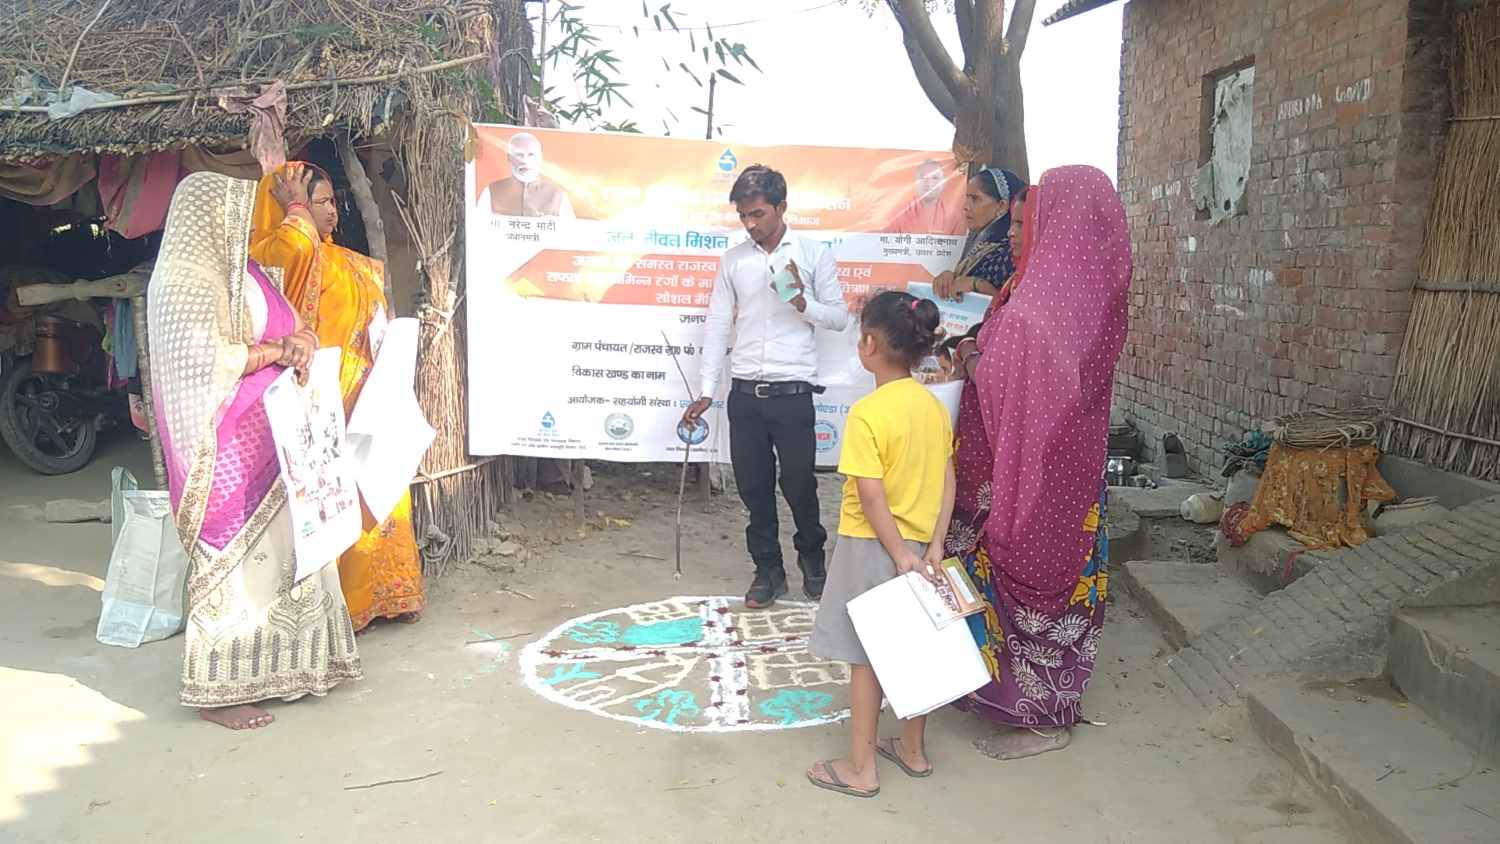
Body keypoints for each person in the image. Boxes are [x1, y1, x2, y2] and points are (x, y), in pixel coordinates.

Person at [146, 171, 362, 730]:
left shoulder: (245, 272)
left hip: (280, 436)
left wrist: (302, 342)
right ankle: (218, 691)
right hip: (226, 449)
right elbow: (204, 361)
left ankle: (296, 666)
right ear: (203, 218)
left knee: (290, 553)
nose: (242, 226)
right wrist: (277, 352)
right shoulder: (183, 280)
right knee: (233, 565)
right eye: (231, 215)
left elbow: (295, 323)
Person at [942, 164, 1131, 760]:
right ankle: (1016, 698)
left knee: (1022, 581)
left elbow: (1008, 387)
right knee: (1061, 578)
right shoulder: (1088, 298)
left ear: (1059, 227)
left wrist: (971, 355)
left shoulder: (1034, 313)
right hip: (1070, 478)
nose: (1015, 235)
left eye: (1027, 223)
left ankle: (1042, 718)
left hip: (1024, 480)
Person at [250, 162, 426, 633]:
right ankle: (345, 602)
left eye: (333, 201)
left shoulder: (339, 258)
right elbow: (291, 257)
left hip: (367, 396)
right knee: (333, 497)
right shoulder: (273, 255)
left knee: (378, 487)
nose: (333, 211)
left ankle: (387, 593)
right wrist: (295, 210)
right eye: (321, 202)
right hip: (319, 402)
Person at [804, 291, 956, 798]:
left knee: (865, 656)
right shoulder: (933, 408)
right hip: (922, 545)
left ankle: (861, 768)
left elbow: (870, 495)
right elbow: (948, 478)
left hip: (873, 545)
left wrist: (897, 554)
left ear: (868, 343)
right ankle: (913, 751)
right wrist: (933, 546)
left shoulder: (868, 413)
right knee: (917, 647)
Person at [682, 165, 849, 607]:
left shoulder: (813, 254)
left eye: (758, 214)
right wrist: (706, 388)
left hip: (792, 392)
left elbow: (839, 317)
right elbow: (719, 323)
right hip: (745, 393)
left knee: (799, 485)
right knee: (753, 488)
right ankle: (767, 570)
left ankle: (812, 560)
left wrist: (802, 302)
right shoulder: (734, 260)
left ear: (781, 207)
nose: (750, 224)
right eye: (743, 216)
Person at [930, 167, 1027, 303]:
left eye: (975, 199)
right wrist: (949, 278)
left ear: (1001, 206)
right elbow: (962, 285)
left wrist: (977, 285)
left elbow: (1011, 306)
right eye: (966, 198)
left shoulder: (1011, 252)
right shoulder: (979, 243)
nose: (966, 206)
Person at [477, 132, 575, 219]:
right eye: (519, 155)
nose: (524, 161)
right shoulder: (491, 191)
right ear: (509, 157)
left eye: (531, 155)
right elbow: (478, 228)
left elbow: (570, 231)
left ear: (540, 157)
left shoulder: (557, 194)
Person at [885, 159, 965, 236]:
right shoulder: (899, 213)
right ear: (916, 182)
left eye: (935, 178)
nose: (929, 183)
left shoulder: (954, 215)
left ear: (943, 182)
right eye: (923, 178)